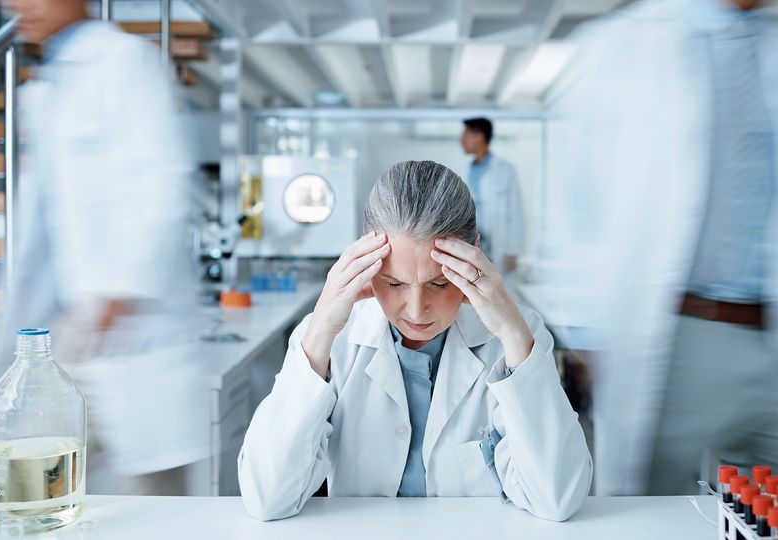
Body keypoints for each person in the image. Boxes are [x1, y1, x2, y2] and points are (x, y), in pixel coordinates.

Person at [542, 0, 778, 495]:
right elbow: (577, 199)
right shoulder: (624, 46)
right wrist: (588, 336)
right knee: (653, 518)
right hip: (679, 340)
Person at [238, 160, 591, 521]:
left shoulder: (515, 336)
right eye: (393, 284)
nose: (417, 309)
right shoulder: (333, 339)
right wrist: (319, 335)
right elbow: (267, 498)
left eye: (440, 283)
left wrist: (515, 339)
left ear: (474, 255)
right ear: (364, 259)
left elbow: (556, 498)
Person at [0, 0, 208, 494]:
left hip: (127, 329)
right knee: (41, 499)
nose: (14, 5)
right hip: (62, 331)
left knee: (153, 505)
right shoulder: (45, 87)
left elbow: (166, 181)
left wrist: (122, 292)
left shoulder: (125, 62)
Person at [460, 118, 524, 275]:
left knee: (497, 287)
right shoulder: (466, 170)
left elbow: (516, 212)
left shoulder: (505, 170)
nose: (462, 141)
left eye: (465, 135)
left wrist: (513, 251)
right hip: (474, 242)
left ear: (479, 137)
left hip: (499, 246)